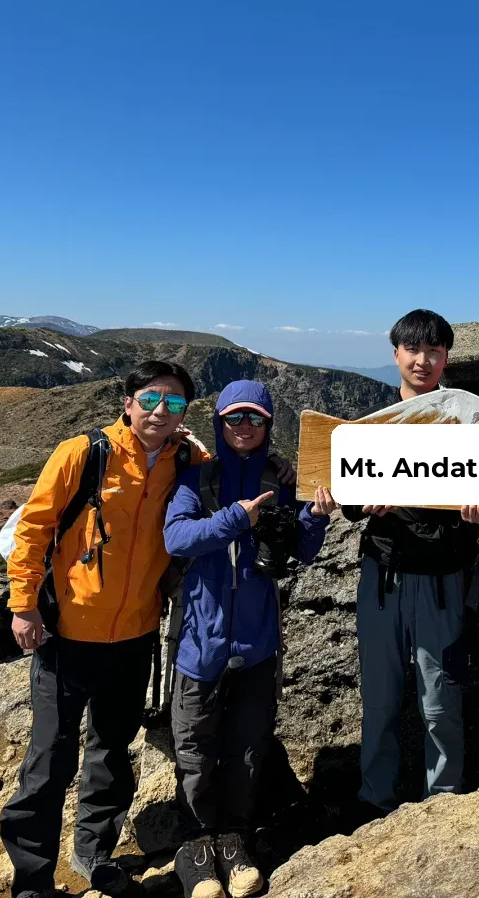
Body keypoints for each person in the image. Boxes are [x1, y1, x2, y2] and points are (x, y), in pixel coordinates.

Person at [0, 360, 204, 898]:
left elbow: (224, 473)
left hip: (135, 635)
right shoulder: (83, 453)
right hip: (66, 635)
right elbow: (33, 530)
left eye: (176, 403)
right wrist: (24, 607)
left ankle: (94, 853)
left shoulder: (186, 460)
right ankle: (33, 879)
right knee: (49, 761)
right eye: (152, 398)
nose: (162, 410)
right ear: (128, 401)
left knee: (112, 753)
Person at [164, 380, 334, 898]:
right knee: (194, 745)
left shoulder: (282, 479)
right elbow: (177, 537)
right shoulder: (197, 479)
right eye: (235, 418)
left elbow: (301, 552)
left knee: (246, 747)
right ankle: (196, 845)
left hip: (258, 642)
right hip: (200, 641)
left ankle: (235, 840)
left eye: (254, 419)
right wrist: (238, 516)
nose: (244, 428)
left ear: (267, 424)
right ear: (219, 422)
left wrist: (314, 516)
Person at [341, 309, 479, 819]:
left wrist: (478, 516)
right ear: (396, 355)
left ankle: (443, 803)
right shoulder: (377, 425)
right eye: (413, 350)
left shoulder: (472, 427)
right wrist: (363, 503)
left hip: (444, 577)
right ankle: (373, 800)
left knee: (440, 699)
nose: (423, 360)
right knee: (380, 697)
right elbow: (349, 498)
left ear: (448, 357)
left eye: (434, 351)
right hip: (383, 576)